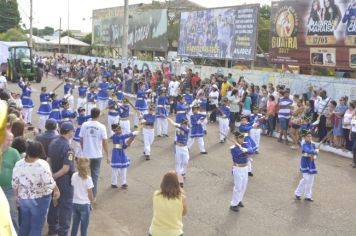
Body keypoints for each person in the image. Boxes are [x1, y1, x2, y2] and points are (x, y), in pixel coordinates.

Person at [12, 141, 60, 236]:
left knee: (24, 224)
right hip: (40, 199)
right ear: (39, 152)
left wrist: (16, 196)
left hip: (24, 198)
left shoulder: (19, 164)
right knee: (36, 227)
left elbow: (15, 183)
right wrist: (56, 190)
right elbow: (49, 182)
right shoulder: (42, 164)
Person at [47, 122, 76, 236]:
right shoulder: (68, 148)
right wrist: (54, 177)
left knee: (53, 203)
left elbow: (48, 160)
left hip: (53, 178)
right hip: (64, 180)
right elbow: (65, 169)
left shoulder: (53, 142)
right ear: (69, 132)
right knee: (65, 206)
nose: (73, 132)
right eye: (72, 131)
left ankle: (52, 228)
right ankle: (63, 232)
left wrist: (51, 176)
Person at [79, 108, 109, 199]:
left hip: (86, 155)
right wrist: (107, 155)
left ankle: (84, 196)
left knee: (85, 176)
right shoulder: (102, 126)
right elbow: (105, 142)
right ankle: (93, 197)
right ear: (98, 115)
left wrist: (84, 149)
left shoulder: (84, 125)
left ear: (90, 114)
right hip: (97, 155)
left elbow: (81, 139)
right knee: (95, 178)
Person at [148, 171, 187, 236]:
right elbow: (184, 213)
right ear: (177, 184)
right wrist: (180, 188)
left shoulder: (156, 195)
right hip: (175, 233)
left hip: (155, 232)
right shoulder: (181, 198)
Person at [229, 131, 255, 212]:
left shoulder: (245, 143)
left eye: (243, 137)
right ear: (236, 139)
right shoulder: (233, 148)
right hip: (238, 168)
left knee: (244, 185)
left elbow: (252, 150)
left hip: (245, 168)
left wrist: (246, 149)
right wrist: (244, 150)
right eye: (241, 138)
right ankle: (233, 204)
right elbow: (240, 154)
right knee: (238, 187)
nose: (243, 139)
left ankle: (239, 200)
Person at [0, 132, 21, 233]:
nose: (10, 142)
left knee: (13, 214)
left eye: (11, 140)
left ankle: (15, 232)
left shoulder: (14, 152)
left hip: (9, 189)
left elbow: (20, 171)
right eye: (8, 139)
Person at [109, 124, 138, 189]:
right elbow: (123, 137)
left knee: (124, 168)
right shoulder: (115, 136)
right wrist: (132, 133)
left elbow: (125, 146)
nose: (121, 130)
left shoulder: (121, 137)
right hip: (116, 153)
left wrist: (133, 137)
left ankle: (123, 183)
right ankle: (113, 183)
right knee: (115, 169)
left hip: (122, 153)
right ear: (115, 131)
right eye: (119, 129)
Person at [71, 158, 94, 236]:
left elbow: (72, 186)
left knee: (74, 224)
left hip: (74, 203)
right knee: (84, 226)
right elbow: (90, 193)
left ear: (77, 165)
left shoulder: (74, 175)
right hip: (84, 204)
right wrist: (92, 202)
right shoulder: (88, 179)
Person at [294, 130, 319, 201]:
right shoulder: (304, 144)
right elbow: (307, 151)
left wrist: (316, 154)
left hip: (311, 163)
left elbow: (314, 154)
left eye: (310, 136)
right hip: (305, 163)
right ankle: (298, 193)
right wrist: (314, 151)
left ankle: (308, 196)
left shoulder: (313, 144)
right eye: (308, 136)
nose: (310, 137)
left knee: (311, 181)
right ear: (304, 137)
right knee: (306, 179)